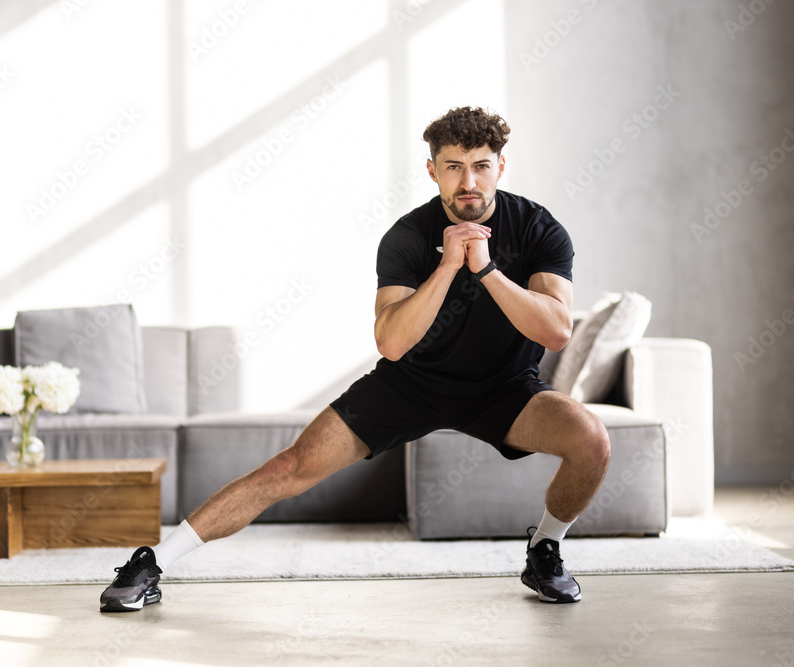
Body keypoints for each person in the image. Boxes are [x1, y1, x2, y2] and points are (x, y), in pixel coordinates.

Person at [99, 106, 611, 611]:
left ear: (501, 165)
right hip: (410, 384)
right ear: (432, 170)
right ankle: (152, 563)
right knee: (291, 466)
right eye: (453, 167)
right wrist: (447, 266)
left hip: (506, 389)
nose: (468, 181)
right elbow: (390, 342)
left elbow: (557, 329)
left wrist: (487, 270)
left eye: (480, 165)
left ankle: (545, 549)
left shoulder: (539, 228)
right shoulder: (408, 237)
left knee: (590, 440)